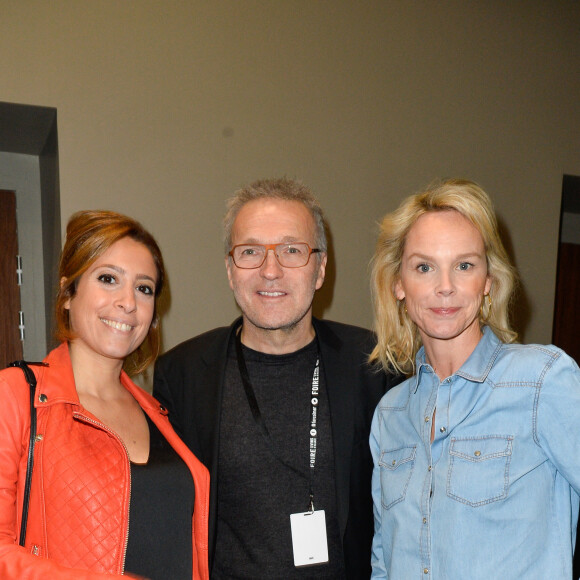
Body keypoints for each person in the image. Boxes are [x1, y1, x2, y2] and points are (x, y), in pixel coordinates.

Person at [154, 177, 401, 579]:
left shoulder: (373, 366)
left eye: (291, 250)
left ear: (320, 269)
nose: (270, 271)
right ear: (231, 271)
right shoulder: (182, 373)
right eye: (250, 251)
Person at [368, 178, 580, 579]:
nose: (444, 287)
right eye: (424, 267)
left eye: (464, 265)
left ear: (488, 281)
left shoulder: (542, 382)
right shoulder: (389, 415)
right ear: (398, 283)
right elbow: (385, 558)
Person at [0, 210, 210, 580]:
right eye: (109, 279)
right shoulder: (15, 395)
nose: (128, 302)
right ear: (68, 293)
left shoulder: (160, 414)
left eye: (144, 288)